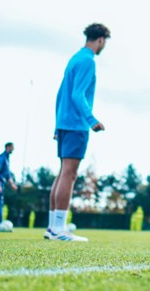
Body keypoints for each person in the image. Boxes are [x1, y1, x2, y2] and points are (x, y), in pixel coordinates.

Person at [44, 23, 110, 242]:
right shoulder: (88, 61)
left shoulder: (74, 58)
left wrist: (56, 125)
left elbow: (59, 94)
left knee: (63, 173)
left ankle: (53, 227)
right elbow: (76, 94)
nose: (103, 46)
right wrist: (91, 120)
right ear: (100, 39)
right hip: (76, 125)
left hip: (65, 123)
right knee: (69, 174)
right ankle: (58, 229)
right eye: (104, 42)